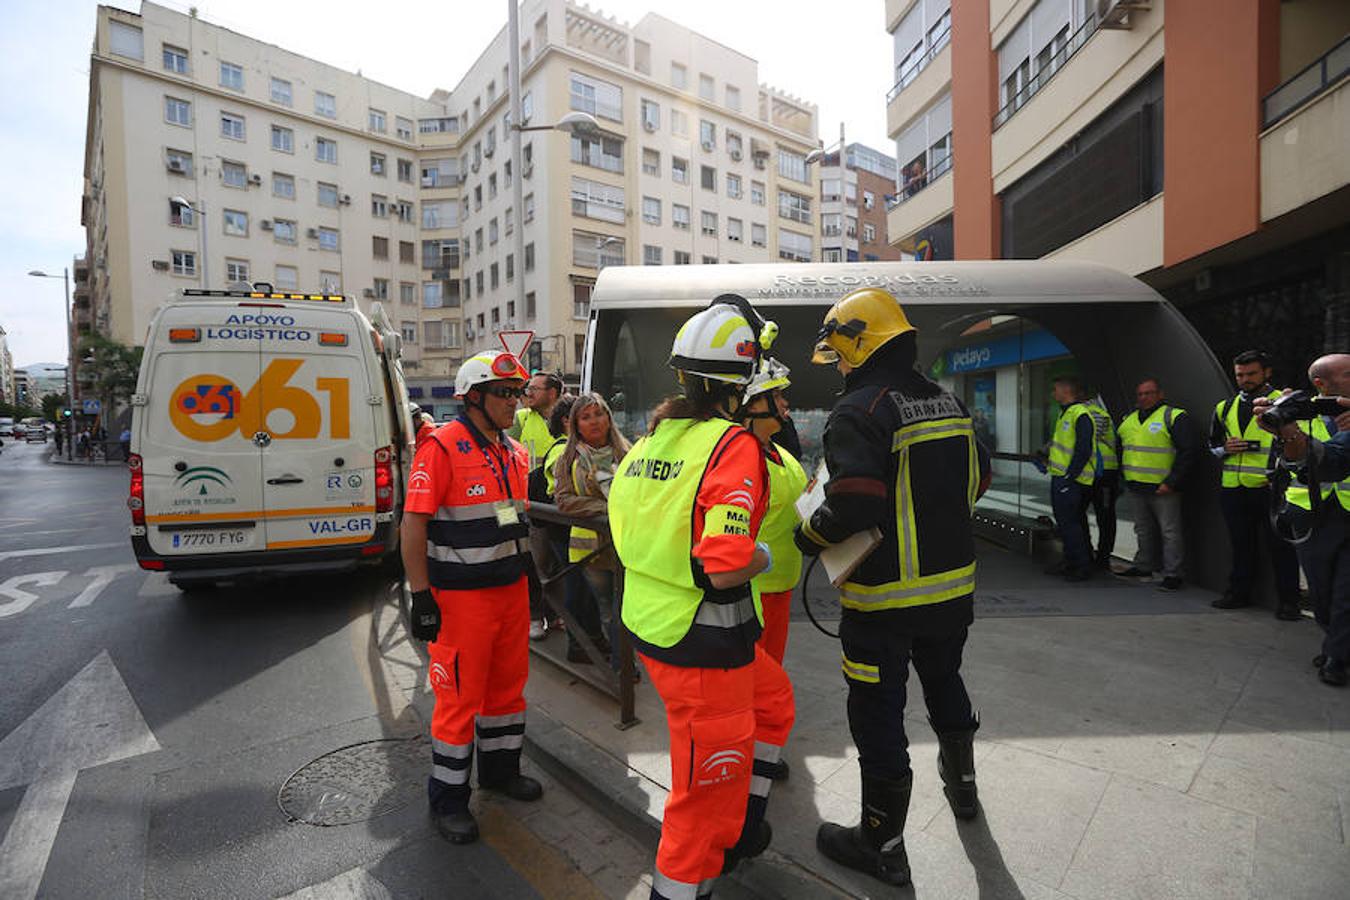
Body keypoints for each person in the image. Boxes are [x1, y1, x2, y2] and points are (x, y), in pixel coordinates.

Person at [796, 287, 989, 888]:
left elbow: (853, 501)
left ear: (858, 343)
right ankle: (963, 792)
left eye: (841, 352)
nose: (841, 365)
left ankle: (881, 842)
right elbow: (977, 481)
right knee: (945, 682)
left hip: (883, 604)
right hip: (951, 593)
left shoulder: (859, 408)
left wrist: (810, 534)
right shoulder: (948, 402)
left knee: (876, 713)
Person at [608, 296, 795, 900]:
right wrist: (763, 556)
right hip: (702, 644)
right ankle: (687, 883)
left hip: (654, 626)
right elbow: (725, 565)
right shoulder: (730, 444)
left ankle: (744, 826)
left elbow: (626, 528)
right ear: (739, 386)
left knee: (775, 701)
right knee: (701, 796)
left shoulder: (655, 438)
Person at [400, 349, 543, 845]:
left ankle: (501, 773)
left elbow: (513, 519)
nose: (515, 402)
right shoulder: (441, 447)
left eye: (518, 393)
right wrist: (421, 596)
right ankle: (448, 799)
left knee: (507, 693)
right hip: (461, 602)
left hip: (509, 593)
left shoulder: (513, 451)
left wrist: (533, 582)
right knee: (458, 701)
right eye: (505, 393)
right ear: (474, 397)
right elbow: (413, 524)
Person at [1259, 355, 1350, 686]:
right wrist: (1287, 433)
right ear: (1322, 384)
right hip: (1312, 516)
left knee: (1345, 594)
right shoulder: (1297, 412)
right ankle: (1334, 643)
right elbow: (1283, 462)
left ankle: (1337, 658)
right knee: (1322, 593)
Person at [738, 358, 805, 784]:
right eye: (776, 395)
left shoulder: (777, 450)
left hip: (779, 585)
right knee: (751, 684)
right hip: (749, 590)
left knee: (769, 677)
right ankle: (746, 757)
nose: (784, 403)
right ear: (752, 404)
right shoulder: (737, 455)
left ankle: (759, 752)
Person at [1210, 350, 1302, 618]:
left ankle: (1289, 602)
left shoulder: (1284, 403)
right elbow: (1212, 444)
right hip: (1234, 488)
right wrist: (1225, 448)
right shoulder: (1223, 407)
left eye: (1251, 374)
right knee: (1240, 544)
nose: (1245, 379)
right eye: (1240, 374)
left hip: (1272, 488)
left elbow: (1301, 442)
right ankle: (1238, 593)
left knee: (1281, 547)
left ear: (1266, 373)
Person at [554, 393, 632, 672]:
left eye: (599, 414)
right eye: (585, 417)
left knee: (625, 607)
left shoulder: (628, 452)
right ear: (576, 424)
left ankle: (623, 664)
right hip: (591, 550)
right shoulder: (569, 458)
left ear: (609, 418)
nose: (594, 421)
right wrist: (604, 507)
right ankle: (622, 668)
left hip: (627, 544)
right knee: (610, 609)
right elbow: (563, 500)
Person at [531, 394, 603, 664]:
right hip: (566, 533)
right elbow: (563, 491)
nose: (594, 421)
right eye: (584, 416)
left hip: (572, 532)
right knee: (578, 589)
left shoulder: (577, 448)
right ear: (567, 421)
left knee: (582, 589)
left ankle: (589, 641)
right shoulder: (563, 450)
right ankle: (579, 645)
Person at [1113, 379, 1197, 591]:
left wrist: (1172, 481)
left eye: (1148, 393)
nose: (1143, 398)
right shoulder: (1129, 419)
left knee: (1170, 532)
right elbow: (1121, 449)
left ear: (1160, 394)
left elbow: (1189, 452)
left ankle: (1173, 574)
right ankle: (1144, 565)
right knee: (1142, 529)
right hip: (1136, 485)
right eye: (1140, 394)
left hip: (1163, 487)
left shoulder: (1174, 416)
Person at [511, 370, 565, 640]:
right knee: (534, 563)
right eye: (527, 389)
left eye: (534, 389)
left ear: (552, 393)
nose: (527, 393)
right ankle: (535, 617)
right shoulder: (520, 419)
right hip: (529, 507)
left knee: (558, 566)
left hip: (561, 508)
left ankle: (555, 615)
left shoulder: (568, 418)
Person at [1045, 376, 1098, 581]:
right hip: (1061, 477)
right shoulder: (1065, 413)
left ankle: (1081, 565)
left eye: (1055, 389)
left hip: (1071, 481)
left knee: (1071, 524)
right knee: (1066, 523)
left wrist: (1070, 477)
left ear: (1066, 391)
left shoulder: (1080, 414)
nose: (1053, 393)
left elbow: (1083, 449)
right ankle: (1070, 561)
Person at [1084, 394, 1119, 569]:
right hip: (1095, 472)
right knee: (1104, 516)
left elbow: (1082, 439)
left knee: (1104, 517)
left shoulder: (1093, 412)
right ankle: (1098, 556)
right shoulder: (1096, 410)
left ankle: (1102, 558)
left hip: (1103, 473)